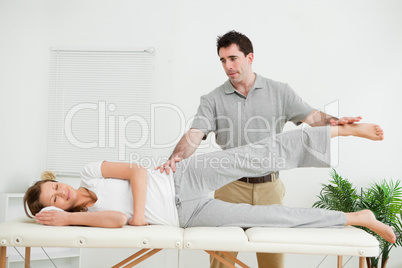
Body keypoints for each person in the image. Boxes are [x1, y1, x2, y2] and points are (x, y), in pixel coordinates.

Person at [156, 30, 363, 268]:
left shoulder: (280, 91)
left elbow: (313, 118)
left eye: (233, 58)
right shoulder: (212, 99)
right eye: (223, 60)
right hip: (229, 187)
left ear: (250, 57)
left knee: (272, 260)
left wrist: (339, 123)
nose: (228, 66)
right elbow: (195, 133)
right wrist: (175, 158)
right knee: (222, 260)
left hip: (270, 189)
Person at [24, 124, 395, 248]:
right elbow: (116, 222)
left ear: (55, 182)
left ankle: (343, 130)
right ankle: (356, 217)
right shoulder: (86, 216)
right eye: (53, 201)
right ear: (53, 209)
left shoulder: (91, 172)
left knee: (261, 153)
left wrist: (139, 215)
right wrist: (69, 220)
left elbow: (137, 171)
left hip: (183, 177)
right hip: (188, 214)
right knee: (274, 217)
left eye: (54, 188)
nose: (61, 194)